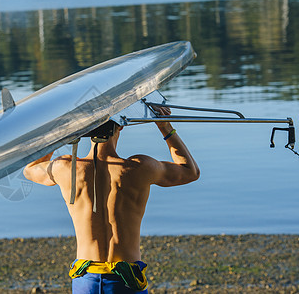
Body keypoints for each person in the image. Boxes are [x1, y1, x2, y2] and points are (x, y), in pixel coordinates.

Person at [23, 107, 200, 293]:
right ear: (120, 126)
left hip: (86, 278)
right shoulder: (139, 168)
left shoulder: (65, 167)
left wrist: (57, 134)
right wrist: (164, 127)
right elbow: (190, 171)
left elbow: (29, 169)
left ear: (85, 130)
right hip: (126, 278)